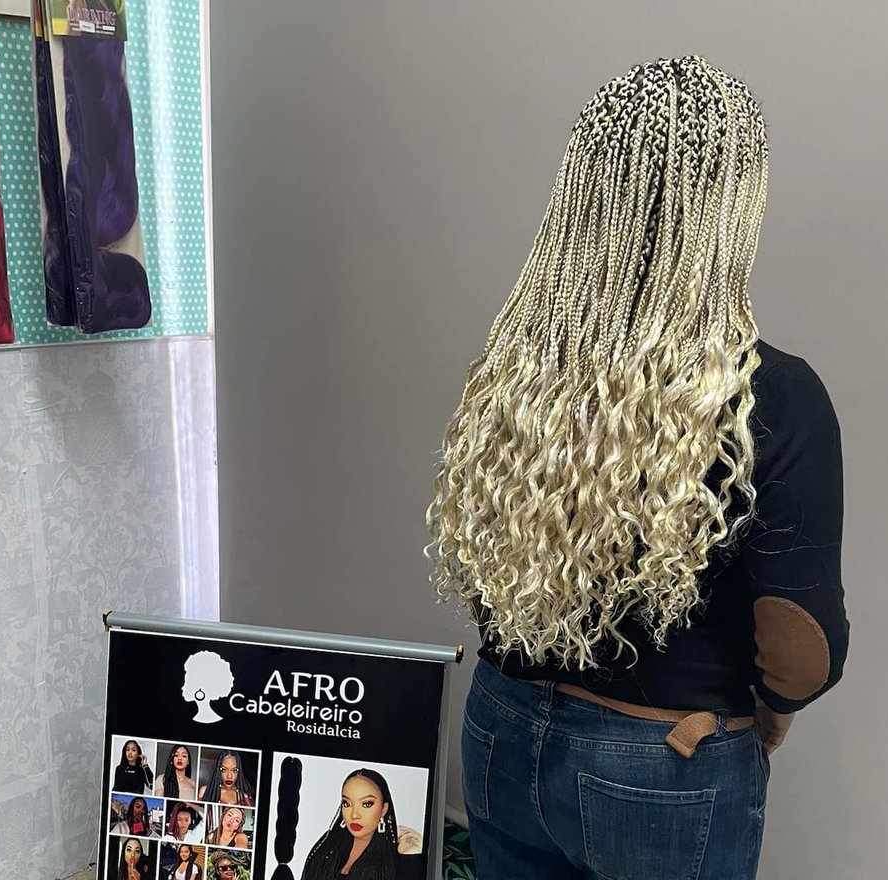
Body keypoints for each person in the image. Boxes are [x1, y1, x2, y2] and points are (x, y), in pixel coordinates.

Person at [426, 56, 849, 880]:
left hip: (499, 725)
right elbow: (802, 644)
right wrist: (774, 716)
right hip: (665, 766)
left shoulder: (519, 368)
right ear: (731, 206)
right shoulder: (775, 394)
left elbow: (486, 562)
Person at [301, 769, 424, 880]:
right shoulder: (328, 850)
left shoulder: (394, 861)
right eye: (347, 803)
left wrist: (411, 858)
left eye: (366, 804)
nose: (354, 815)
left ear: (384, 809)